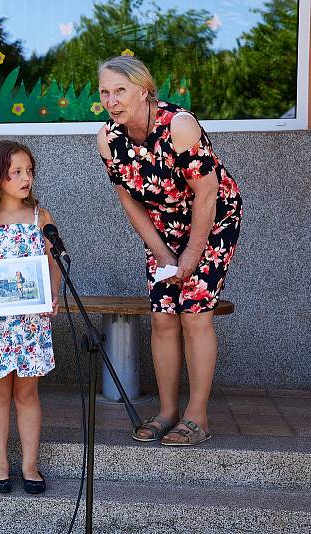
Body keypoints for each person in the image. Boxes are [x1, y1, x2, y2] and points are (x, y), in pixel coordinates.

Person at [96, 56, 242, 446]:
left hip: (211, 220)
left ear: (144, 91)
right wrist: (163, 255)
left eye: (120, 90)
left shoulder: (179, 125)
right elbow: (130, 203)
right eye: (105, 92)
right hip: (164, 228)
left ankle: (197, 416)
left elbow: (208, 193)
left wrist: (192, 257)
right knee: (163, 316)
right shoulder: (108, 140)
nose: (112, 100)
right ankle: (167, 412)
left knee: (194, 314)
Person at [0, 140, 61, 494]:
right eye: (16, 171)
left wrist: (53, 294)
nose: (25, 178)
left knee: (28, 393)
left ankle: (30, 465)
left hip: (31, 320)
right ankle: (0, 464)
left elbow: (52, 262)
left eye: (29, 171)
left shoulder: (40, 217)